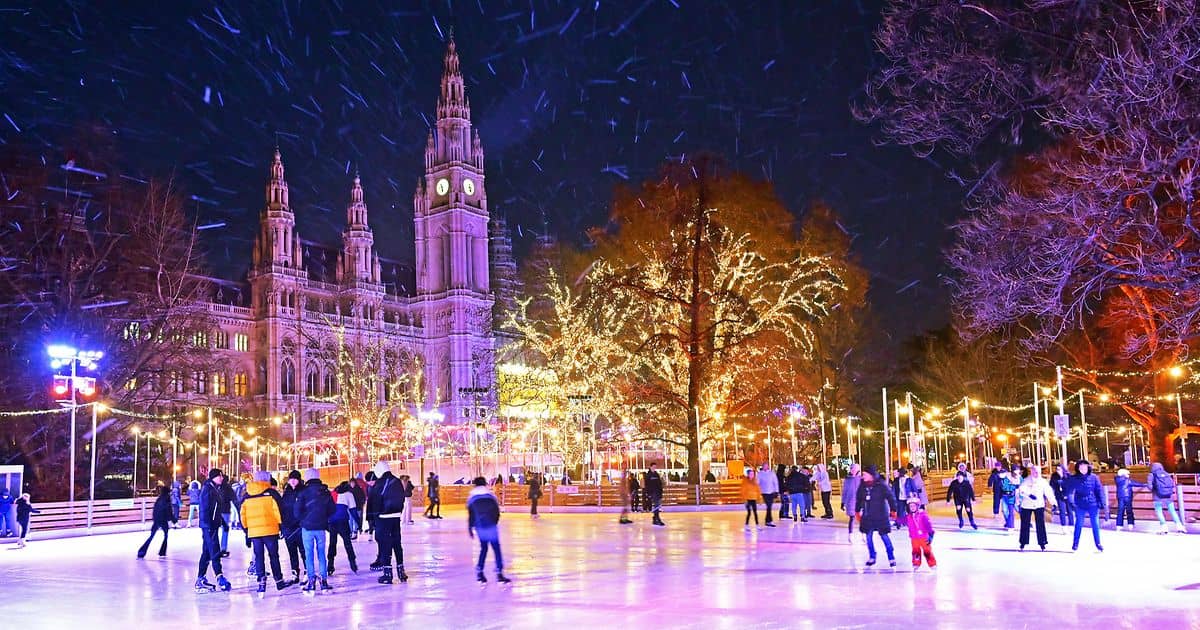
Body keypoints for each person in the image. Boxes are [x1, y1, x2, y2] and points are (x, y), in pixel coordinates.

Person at [240, 470, 290, 594]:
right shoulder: (272, 493)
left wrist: (246, 531)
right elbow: (279, 511)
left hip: (254, 532)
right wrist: (282, 526)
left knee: (258, 557)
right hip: (270, 530)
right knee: (273, 556)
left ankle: (261, 582)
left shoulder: (246, 495)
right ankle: (279, 581)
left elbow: (243, 515)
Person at [465, 476, 511, 584]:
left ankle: (480, 572)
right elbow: (496, 512)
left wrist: (471, 528)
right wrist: (493, 522)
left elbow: (471, 516)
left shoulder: (472, 499)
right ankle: (499, 573)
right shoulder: (491, 496)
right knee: (496, 549)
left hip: (480, 527)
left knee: (483, 548)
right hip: (491, 526)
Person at [370, 461, 410, 584]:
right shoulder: (396, 481)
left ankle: (387, 574)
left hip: (383, 518)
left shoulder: (380, 483)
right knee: (397, 543)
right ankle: (401, 571)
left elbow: (375, 502)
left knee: (385, 544)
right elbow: (402, 497)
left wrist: (373, 518)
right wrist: (399, 511)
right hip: (395, 517)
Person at [295, 468, 334, 592]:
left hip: (307, 528)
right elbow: (332, 509)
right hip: (321, 527)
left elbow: (296, 511)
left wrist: (303, 520)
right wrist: (324, 518)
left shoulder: (303, 492)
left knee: (309, 554)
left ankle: (311, 581)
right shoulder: (325, 491)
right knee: (321, 553)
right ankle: (323, 580)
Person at [195, 468, 232, 593]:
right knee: (215, 551)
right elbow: (204, 509)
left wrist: (222, 523)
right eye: (219, 476)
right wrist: (208, 525)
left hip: (212, 525)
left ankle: (200, 579)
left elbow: (216, 510)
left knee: (206, 552)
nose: (222, 478)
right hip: (209, 526)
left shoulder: (214, 488)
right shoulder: (207, 489)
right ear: (213, 477)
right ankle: (220, 577)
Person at [855, 467, 899, 568]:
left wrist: (893, 509)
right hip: (868, 516)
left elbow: (890, 497)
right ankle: (872, 556)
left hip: (880, 515)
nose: (863, 476)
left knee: (884, 536)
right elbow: (859, 499)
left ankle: (891, 557)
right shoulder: (862, 486)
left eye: (865, 474)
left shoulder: (881, 485)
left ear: (871, 475)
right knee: (868, 537)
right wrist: (857, 511)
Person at [1067, 460, 1105, 552]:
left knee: (1095, 524)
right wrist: (1071, 502)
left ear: (1088, 467)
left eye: (1085, 467)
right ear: (1078, 468)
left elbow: (1099, 490)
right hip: (1080, 504)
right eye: (1081, 467)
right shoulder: (1074, 478)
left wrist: (1102, 502)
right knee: (1079, 524)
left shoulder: (1094, 477)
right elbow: (1069, 490)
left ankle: (1098, 543)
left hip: (1093, 503)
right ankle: (1075, 543)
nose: (1083, 469)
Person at [1017, 465, 1054, 551]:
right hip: (1027, 505)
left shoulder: (1043, 482)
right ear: (1031, 471)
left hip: (1039, 505)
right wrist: (1029, 494)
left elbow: (1049, 493)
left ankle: (1042, 542)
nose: (1036, 473)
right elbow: (1021, 490)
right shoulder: (1026, 480)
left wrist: (1053, 503)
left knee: (1040, 524)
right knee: (1025, 524)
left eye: (1038, 472)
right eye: (1034, 471)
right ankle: (1023, 542)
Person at [279, 470, 306, 585]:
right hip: (288, 527)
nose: (293, 481)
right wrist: (282, 526)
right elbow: (281, 510)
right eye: (291, 479)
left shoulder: (303, 491)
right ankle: (295, 573)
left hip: (300, 527)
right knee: (292, 552)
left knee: (303, 551)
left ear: (299, 480)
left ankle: (307, 572)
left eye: (295, 479)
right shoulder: (286, 492)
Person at [327, 481, 358, 575]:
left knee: (332, 543)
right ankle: (353, 563)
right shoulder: (349, 494)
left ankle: (330, 565)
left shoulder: (332, 493)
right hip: (343, 522)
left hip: (331, 522)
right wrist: (358, 523)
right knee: (347, 543)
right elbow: (353, 510)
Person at [138, 485, 176, 558]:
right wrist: (173, 520)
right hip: (163, 520)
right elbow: (169, 511)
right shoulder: (167, 500)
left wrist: (155, 519)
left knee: (152, 536)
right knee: (165, 536)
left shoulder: (159, 499)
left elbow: (155, 510)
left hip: (157, 519)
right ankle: (162, 552)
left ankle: (142, 551)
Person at [1148, 462, 1186, 534]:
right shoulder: (1166, 473)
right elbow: (1172, 483)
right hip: (1168, 496)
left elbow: (1150, 486)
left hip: (1157, 496)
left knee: (1159, 511)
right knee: (1172, 511)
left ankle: (1164, 528)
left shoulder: (1152, 474)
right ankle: (1180, 526)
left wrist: (1154, 490)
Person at [905, 498, 936, 571]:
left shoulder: (923, 515)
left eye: (913, 506)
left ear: (917, 506)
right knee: (915, 551)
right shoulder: (909, 516)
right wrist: (895, 518)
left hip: (924, 537)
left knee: (927, 551)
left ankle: (932, 564)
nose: (912, 508)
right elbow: (902, 520)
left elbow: (929, 526)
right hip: (914, 538)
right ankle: (916, 563)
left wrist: (931, 535)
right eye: (911, 506)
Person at [1049, 463, 1074, 532]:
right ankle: (1063, 527)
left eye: (1059, 469)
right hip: (1059, 495)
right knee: (1062, 511)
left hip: (1068, 494)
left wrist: (1067, 493)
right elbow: (1051, 484)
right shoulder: (1054, 476)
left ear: (1062, 469)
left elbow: (1071, 485)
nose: (1058, 471)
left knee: (1070, 511)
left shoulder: (1068, 475)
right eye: (1057, 469)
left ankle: (1071, 526)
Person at [841, 463, 862, 541]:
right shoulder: (848, 479)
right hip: (851, 501)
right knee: (852, 518)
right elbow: (845, 491)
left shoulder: (861, 479)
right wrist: (843, 502)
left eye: (855, 469)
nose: (853, 470)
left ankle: (864, 534)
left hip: (860, 501)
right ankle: (850, 534)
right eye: (852, 469)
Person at [757, 463, 779, 527]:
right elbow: (757, 483)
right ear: (763, 467)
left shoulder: (772, 473)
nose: (766, 467)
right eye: (764, 466)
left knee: (769, 506)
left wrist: (776, 491)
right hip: (764, 492)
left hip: (771, 492)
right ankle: (769, 520)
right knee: (769, 506)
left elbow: (775, 482)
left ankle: (768, 520)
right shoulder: (760, 474)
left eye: (767, 466)